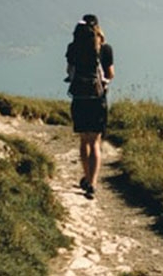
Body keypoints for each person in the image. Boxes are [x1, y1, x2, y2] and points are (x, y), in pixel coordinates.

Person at [65, 14, 114, 199]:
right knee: (95, 142)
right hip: (97, 100)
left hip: (79, 98)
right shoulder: (105, 49)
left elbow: (68, 71)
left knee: (84, 140)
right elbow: (110, 74)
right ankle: (92, 183)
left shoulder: (73, 48)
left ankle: (86, 177)